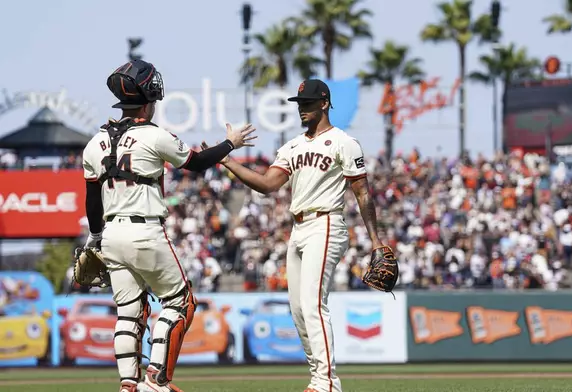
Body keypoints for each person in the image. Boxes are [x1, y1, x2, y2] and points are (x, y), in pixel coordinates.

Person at [81, 59, 255, 392]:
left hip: (111, 234)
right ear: (150, 98)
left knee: (129, 311)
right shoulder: (154, 136)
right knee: (179, 302)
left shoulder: (94, 143)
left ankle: (128, 385)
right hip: (145, 230)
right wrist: (230, 143)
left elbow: (93, 201)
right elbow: (198, 163)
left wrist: (95, 238)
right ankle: (156, 379)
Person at [217, 79, 388, 392]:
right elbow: (268, 184)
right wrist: (228, 161)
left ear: (324, 103)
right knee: (297, 310)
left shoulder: (343, 142)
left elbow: (362, 193)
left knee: (312, 304)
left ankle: (327, 381)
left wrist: (376, 242)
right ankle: (316, 377)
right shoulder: (292, 146)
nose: (302, 109)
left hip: (326, 223)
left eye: (308, 103)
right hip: (298, 229)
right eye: (299, 104)